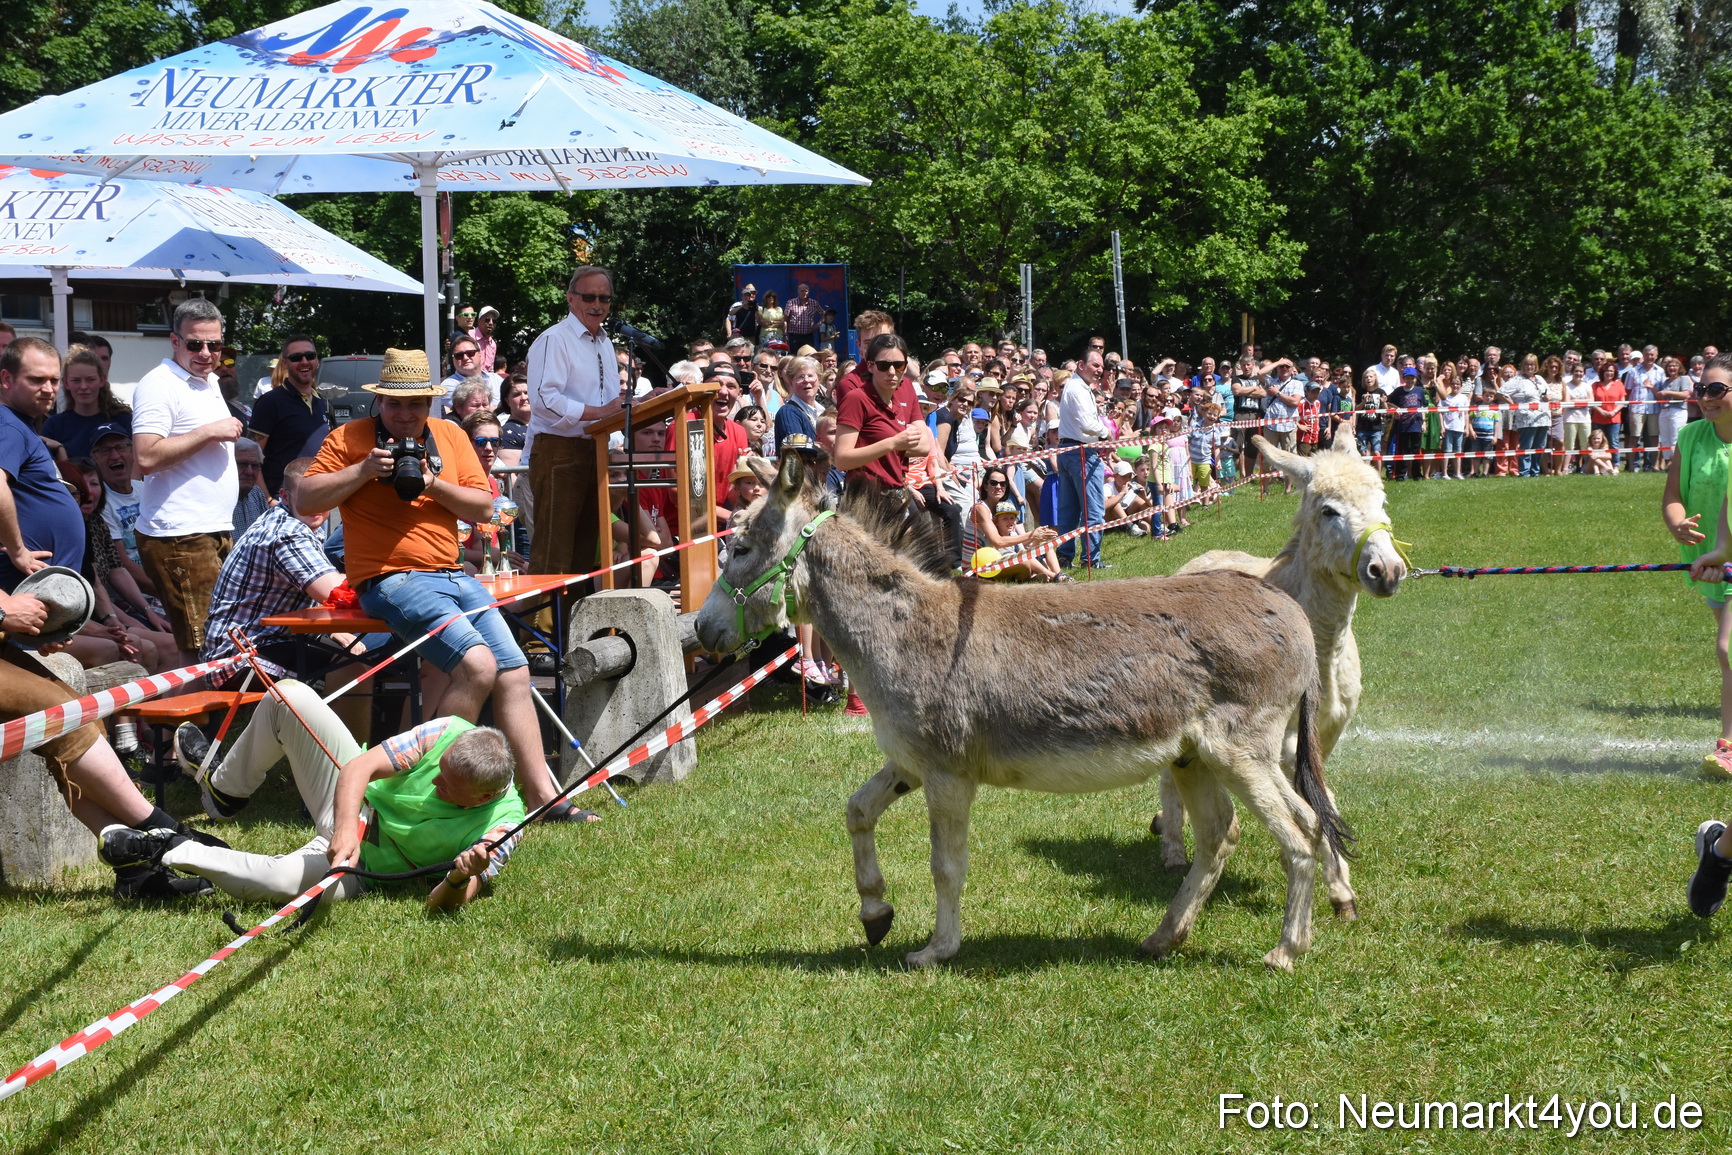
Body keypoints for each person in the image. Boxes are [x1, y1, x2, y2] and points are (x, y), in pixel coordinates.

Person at [300, 348, 592, 824]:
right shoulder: (348, 438)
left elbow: (484, 508)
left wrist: (432, 483)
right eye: (395, 404)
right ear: (379, 402)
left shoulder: (451, 435)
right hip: (391, 578)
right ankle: (424, 793)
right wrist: (363, 471)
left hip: (455, 575)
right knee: (477, 667)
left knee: (514, 671)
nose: (405, 415)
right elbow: (304, 499)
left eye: (416, 404)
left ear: (430, 403)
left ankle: (543, 798)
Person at [99, 682, 528, 910]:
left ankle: (166, 848)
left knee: (273, 882)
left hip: (364, 870)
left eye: (446, 788)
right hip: (350, 806)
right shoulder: (449, 731)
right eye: (439, 773)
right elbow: (359, 767)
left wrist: (458, 878)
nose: (434, 783)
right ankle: (225, 790)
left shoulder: (505, 826)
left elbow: (440, 906)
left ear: (483, 797)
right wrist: (344, 830)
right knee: (290, 695)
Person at [198, 456, 385, 741]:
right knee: (352, 665)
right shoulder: (287, 532)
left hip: (269, 640)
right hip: (240, 658)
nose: (316, 505)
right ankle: (350, 759)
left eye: (323, 496)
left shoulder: (300, 522)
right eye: (307, 496)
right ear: (285, 496)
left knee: (360, 653)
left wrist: (332, 629)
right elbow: (340, 595)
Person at [129, 298, 241, 666]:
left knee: (215, 648)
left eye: (215, 345)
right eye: (195, 344)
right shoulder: (159, 384)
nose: (206, 353)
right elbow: (146, 456)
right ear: (175, 341)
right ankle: (184, 707)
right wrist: (208, 432)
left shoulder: (208, 381)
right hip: (180, 535)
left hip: (208, 529)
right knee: (201, 653)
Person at [525, 266, 627, 580]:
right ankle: (540, 616)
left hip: (596, 449)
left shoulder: (605, 343)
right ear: (571, 299)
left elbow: (609, 401)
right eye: (589, 297)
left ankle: (573, 614)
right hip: (559, 451)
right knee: (553, 557)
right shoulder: (554, 339)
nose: (597, 304)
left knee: (584, 558)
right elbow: (544, 401)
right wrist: (600, 412)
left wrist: (640, 403)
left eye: (604, 298)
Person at [1666, 359, 1732, 784]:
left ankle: (1729, 746)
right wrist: (1677, 523)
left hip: (1722, 560)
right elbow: (1673, 494)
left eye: (1717, 390)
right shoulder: (1691, 436)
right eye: (1701, 390)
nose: (1705, 398)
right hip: (1709, 563)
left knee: (1729, 648)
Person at [247, 334, 327, 496]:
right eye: (296, 357)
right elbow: (250, 457)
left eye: (310, 356)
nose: (304, 361)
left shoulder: (322, 402)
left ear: (317, 360)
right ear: (284, 363)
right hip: (283, 499)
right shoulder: (270, 402)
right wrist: (267, 500)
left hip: (318, 497)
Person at [1054, 347, 1109, 568]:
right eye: (1095, 365)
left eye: (1101, 367)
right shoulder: (1078, 389)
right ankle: (1091, 560)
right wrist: (1106, 432)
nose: (1099, 370)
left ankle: (1064, 557)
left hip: (1068, 450)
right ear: (1081, 364)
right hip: (1081, 452)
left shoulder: (1076, 386)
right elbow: (1087, 425)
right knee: (1093, 509)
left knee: (1069, 510)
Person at [44, 347, 131, 460]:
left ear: (102, 380)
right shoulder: (54, 426)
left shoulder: (123, 420)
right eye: (76, 380)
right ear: (66, 383)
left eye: (90, 379)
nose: (83, 386)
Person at [437, 332, 502, 417]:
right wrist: (503, 408)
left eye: (470, 353)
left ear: (479, 354)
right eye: (459, 355)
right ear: (453, 360)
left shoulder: (497, 379)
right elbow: (473, 414)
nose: (465, 358)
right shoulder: (447, 386)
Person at [232, 437, 270, 536]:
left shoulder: (257, 493)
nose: (249, 471)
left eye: (254, 465)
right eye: (242, 464)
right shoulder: (214, 498)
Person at [784, 283, 821, 349]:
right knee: (795, 355)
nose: (804, 293)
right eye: (802, 291)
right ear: (798, 291)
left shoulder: (814, 303)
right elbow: (785, 320)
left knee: (809, 355)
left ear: (808, 292)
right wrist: (785, 334)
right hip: (795, 336)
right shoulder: (791, 303)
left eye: (806, 291)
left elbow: (824, 314)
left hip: (808, 336)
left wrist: (818, 324)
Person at [471, 305, 501, 375]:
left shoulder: (492, 344)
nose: (491, 323)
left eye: (494, 321)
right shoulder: (469, 336)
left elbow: (490, 369)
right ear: (479, 321)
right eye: (487, 320)